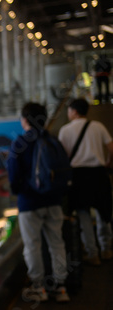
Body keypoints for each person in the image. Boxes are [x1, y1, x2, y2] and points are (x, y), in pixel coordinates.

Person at [7, 102, 70, 303]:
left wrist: (20, 191)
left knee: (32, 245)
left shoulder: (20, 143)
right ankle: (60, 287)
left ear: (25, 120)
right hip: (54, 200)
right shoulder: (52, 140)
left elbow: (13, 175)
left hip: (29, 203)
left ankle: (38, 287)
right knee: (56, 242)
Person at [58, 98, 113, 265]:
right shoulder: (98, 126)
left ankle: (92, 253)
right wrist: (108, 163)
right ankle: (107, 249)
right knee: (104, 212)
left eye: (69, 110)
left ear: (74, 111)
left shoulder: (65, 130)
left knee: (84, 215)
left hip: (78, 176)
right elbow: (111, 148)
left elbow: (63, 158)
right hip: (99, 174)